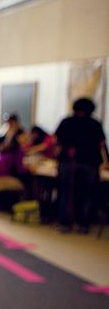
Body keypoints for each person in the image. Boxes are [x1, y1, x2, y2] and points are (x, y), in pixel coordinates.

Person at [54, 98, 107, 233]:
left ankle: (64, 223)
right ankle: (83, 224)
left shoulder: (67, 122)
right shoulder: (95, 124)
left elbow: (57, 142)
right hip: (89, 164)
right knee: (86, 194)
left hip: (69, 162)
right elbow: (102, 145)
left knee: (66, 193)